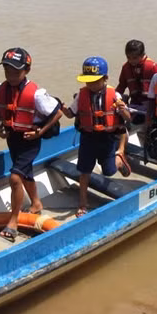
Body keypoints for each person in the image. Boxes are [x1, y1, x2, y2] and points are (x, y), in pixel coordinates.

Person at [0, 47, 62, 241]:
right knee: (25, 173)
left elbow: (57, 113)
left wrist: (40, 132)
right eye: (7, 71)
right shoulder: (0, 89)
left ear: (26, 70)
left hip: (30, 141)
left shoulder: (36, 94)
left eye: (15, 71)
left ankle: (13, 221)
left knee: (15, 178)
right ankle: (36, 203)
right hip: (13, 138)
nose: (10, 75)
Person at [61, 57, 131, 217]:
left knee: (109, 172)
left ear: (105, 79)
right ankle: (83, 204)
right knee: (84, 172)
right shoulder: (82, 95)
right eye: (88, 82)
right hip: (88, 139)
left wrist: (122, 109)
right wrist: (61, 108)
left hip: (107, 140)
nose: (90, 85)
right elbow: (70, 114)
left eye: (94, 81)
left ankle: (119, 158)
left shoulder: (115, 95)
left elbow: (127, 118)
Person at [115, 39, 157, 123]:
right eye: (128, 57)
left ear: (142, 55)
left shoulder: (152, 66)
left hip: (150, 104)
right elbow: (121, 86)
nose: (131, 61)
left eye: (135, 58)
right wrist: (114, 98)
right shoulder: (126, 67)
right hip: (134, 104)